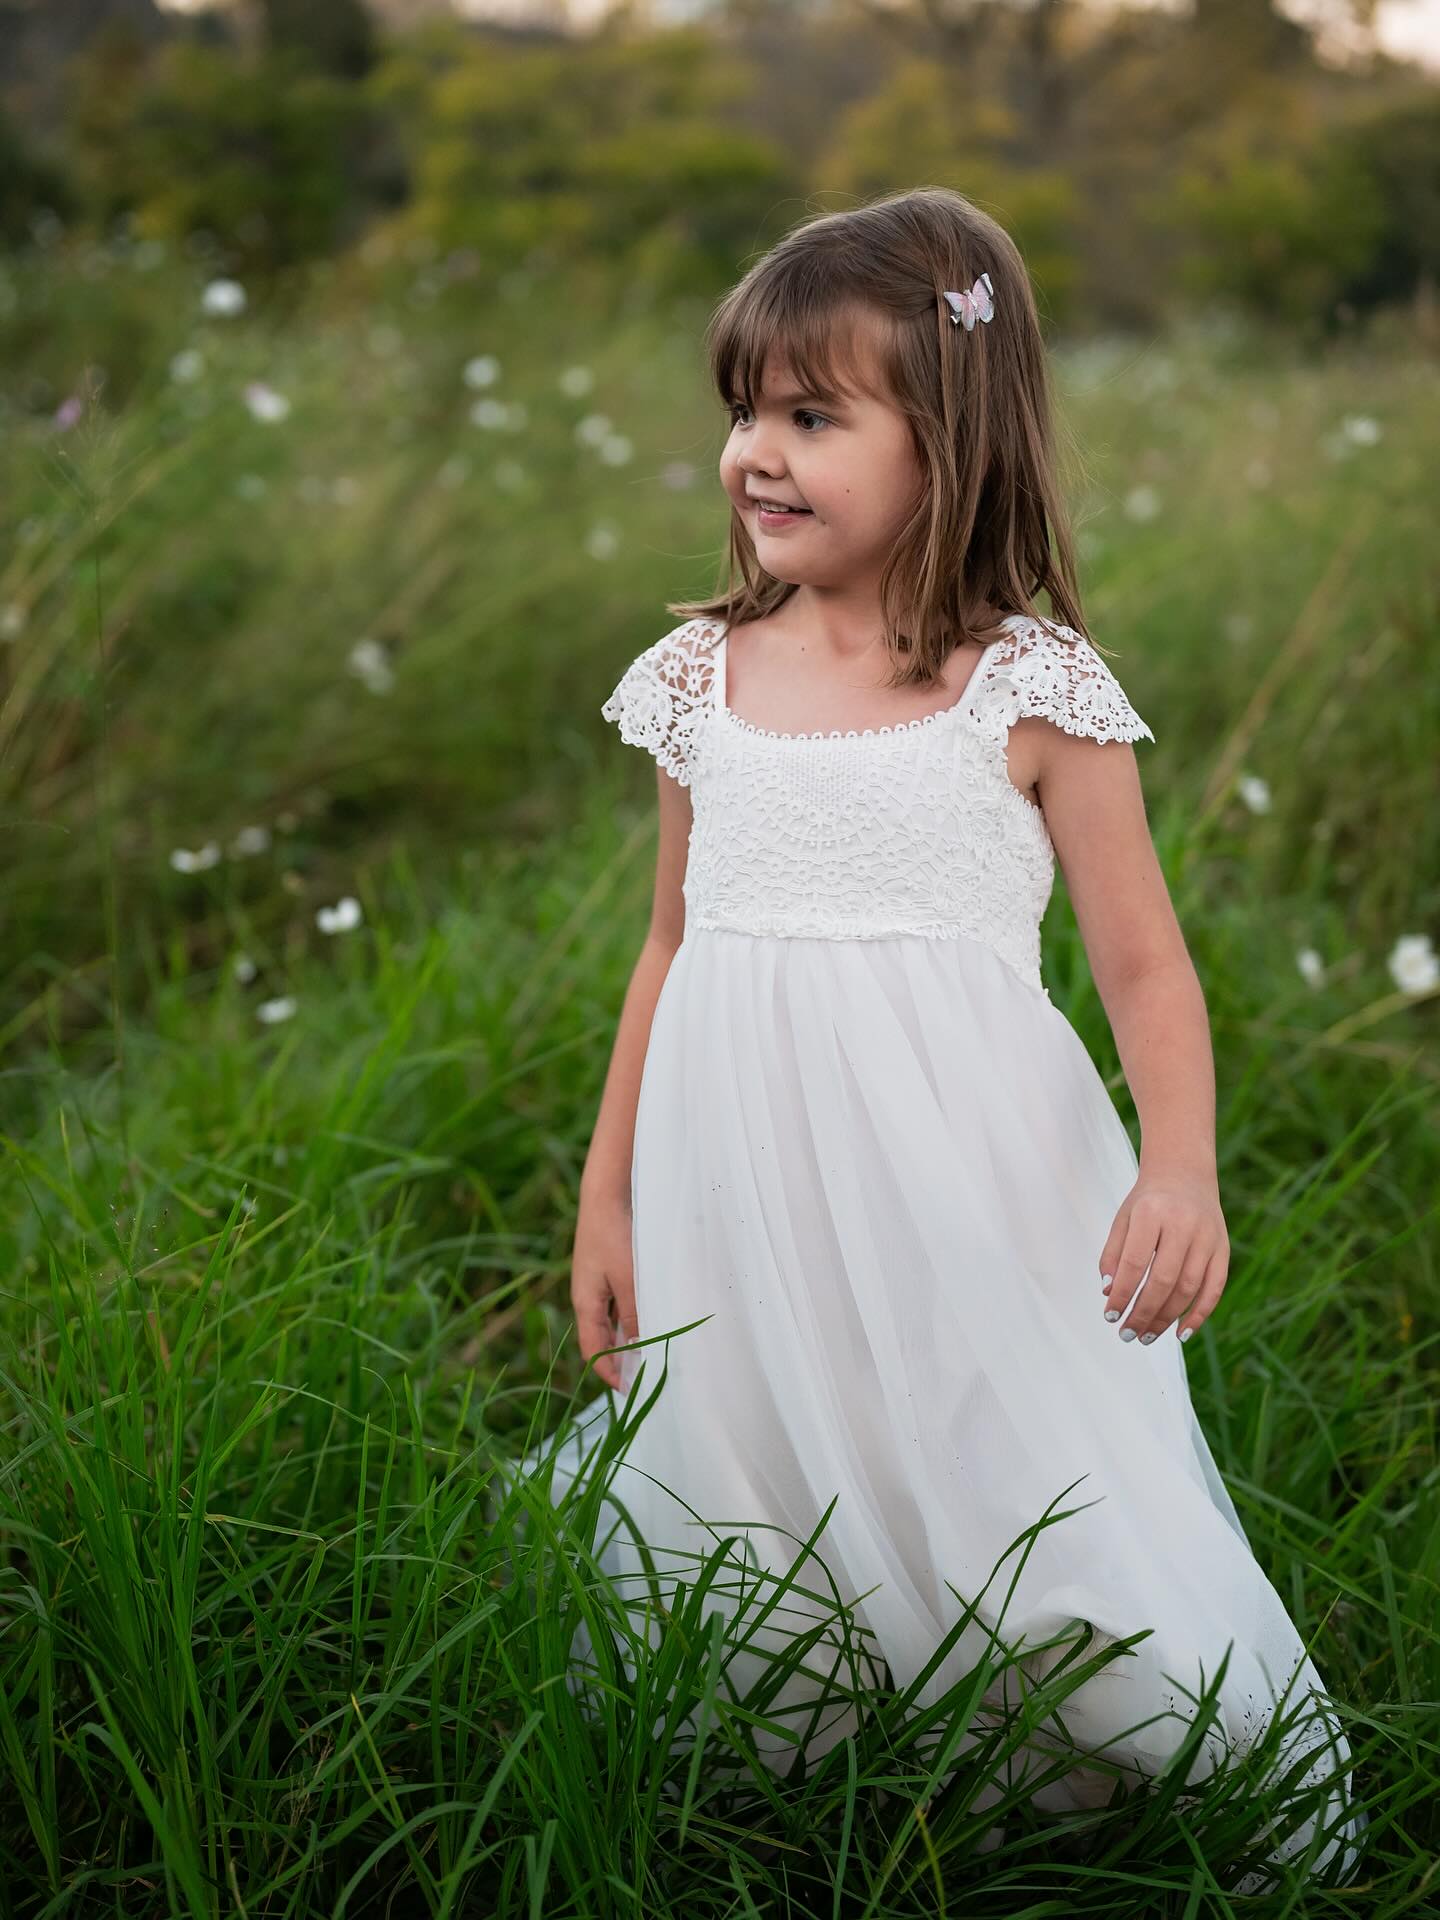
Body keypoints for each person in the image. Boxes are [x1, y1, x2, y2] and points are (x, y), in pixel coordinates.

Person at [495, 187, 1367, 1890]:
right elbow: (668, 941)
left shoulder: (1028, 691)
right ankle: (795, 1744)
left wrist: (1180, 1163)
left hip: (965, 1170)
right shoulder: (702, 674)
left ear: (950, 439)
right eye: (746, 409)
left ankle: (1091, 1741)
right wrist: (609, 1199)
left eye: (814, 417)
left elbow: (1148, 969)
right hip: (734, 1168)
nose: (757, 451)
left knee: (993, 1450)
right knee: (749, 1436)